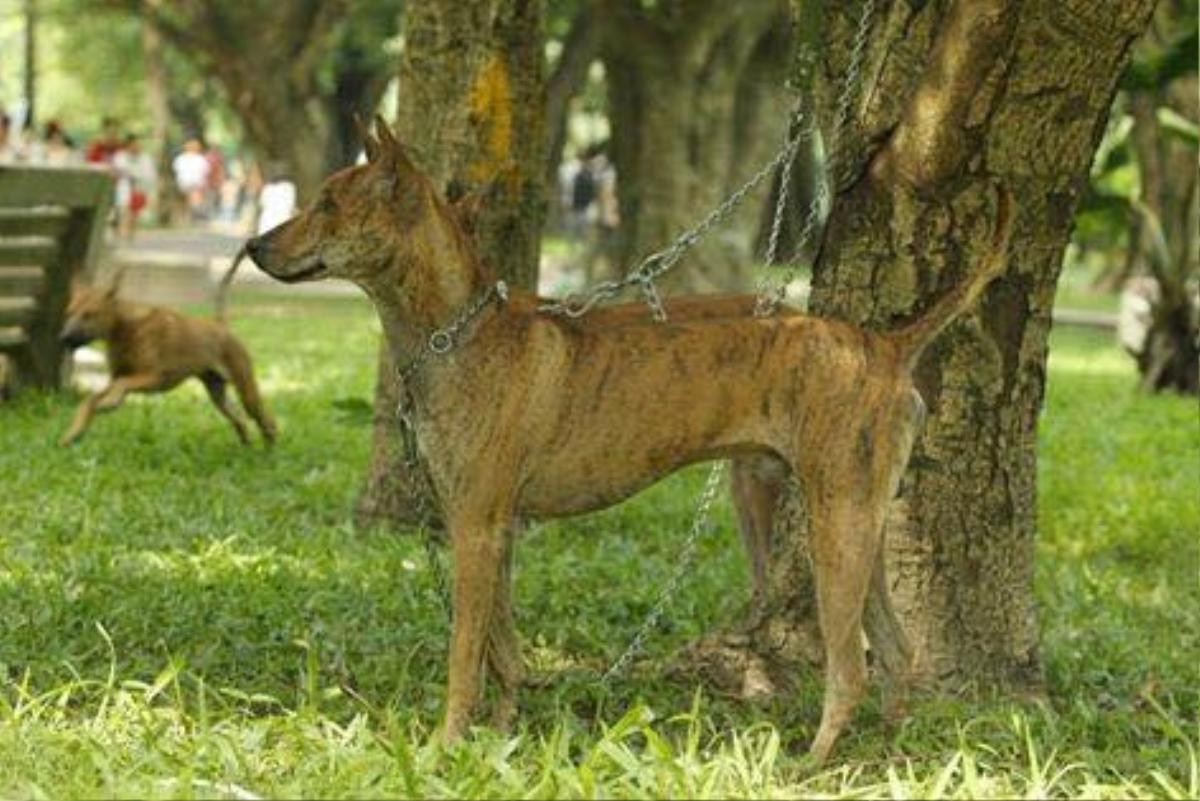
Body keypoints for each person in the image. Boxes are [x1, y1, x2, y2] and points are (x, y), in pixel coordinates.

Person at [112, 134, 157, 240]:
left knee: (133, 214)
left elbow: (149, 174)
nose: (136, 147)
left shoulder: (145, 158)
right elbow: (119, 171)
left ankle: (130, 235)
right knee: (124, 212)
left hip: (139, 189)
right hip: (124, 188)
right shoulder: (121, 156)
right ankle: (122, 234)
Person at [172, 138, 211, 222]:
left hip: (197, 184)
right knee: (189, 197)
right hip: (184, 183)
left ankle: (195, 214)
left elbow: (205, 172)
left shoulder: (200, 159)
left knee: (195, 196)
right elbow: (177, 171)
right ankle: (189, 216)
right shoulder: (180, 159)